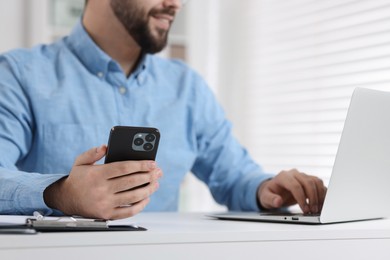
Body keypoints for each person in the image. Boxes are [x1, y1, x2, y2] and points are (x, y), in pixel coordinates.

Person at [0, 0, 326, 219]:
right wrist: (62, 193)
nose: (176, 4)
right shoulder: (18, 75)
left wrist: (266, 189)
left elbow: (235, 176)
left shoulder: (187, 87)